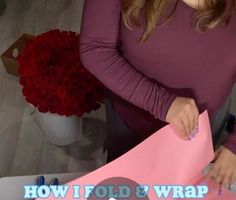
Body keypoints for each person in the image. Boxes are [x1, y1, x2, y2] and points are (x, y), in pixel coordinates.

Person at [80, 0, 236, 189]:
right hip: (132, 121)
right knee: (127, 196)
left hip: (204, 126)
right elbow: (96, 49)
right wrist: (160, 102)